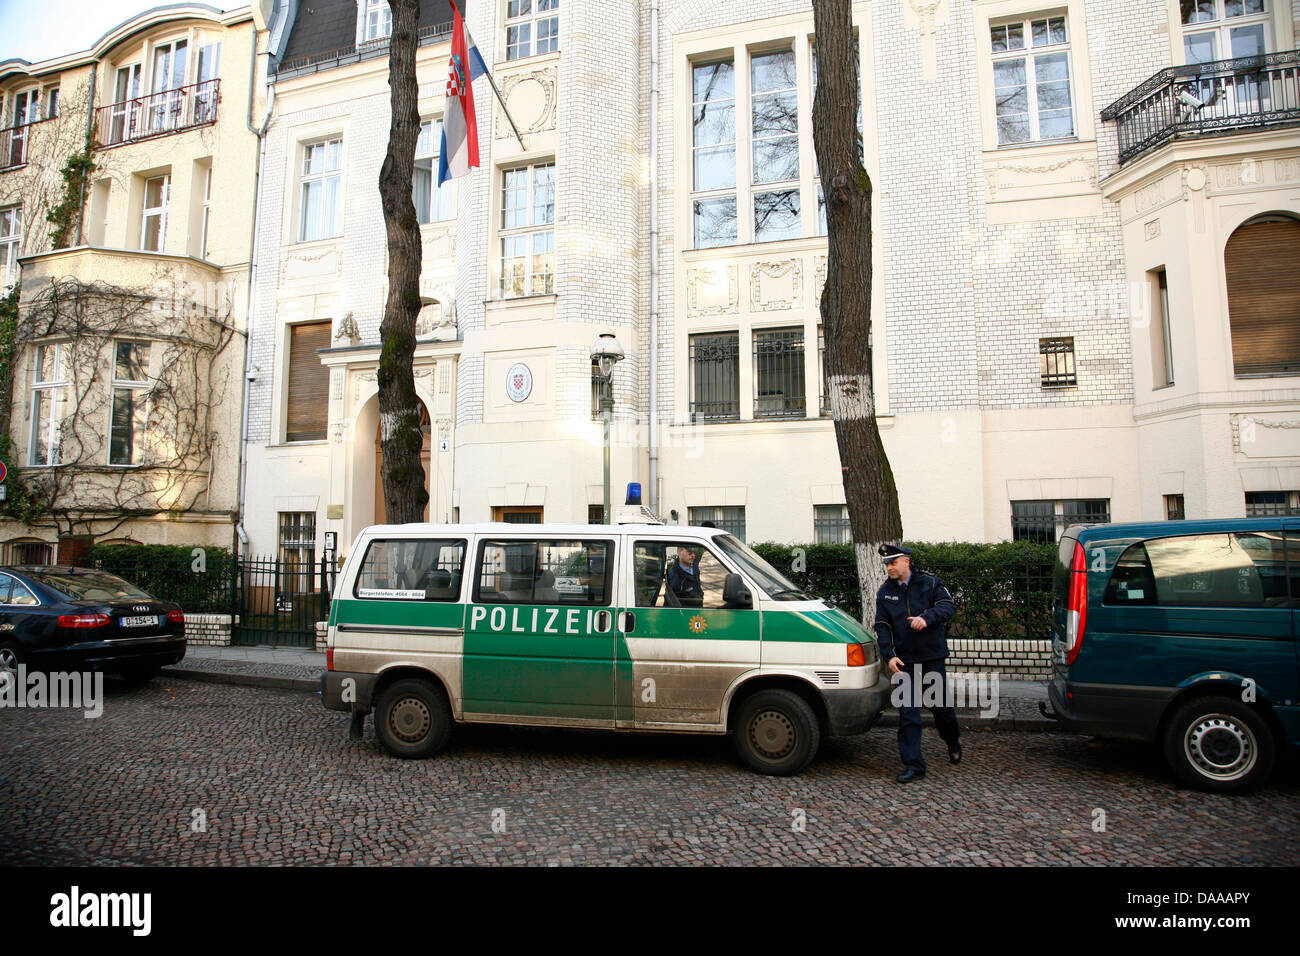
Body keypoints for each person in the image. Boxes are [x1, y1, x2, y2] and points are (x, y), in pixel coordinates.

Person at [873, 543, 961, 783]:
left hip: (931, 658)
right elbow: (882, 626)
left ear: (906, 562)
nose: (889, 567)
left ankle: (952, 740)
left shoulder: (930, 583)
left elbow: (947, 606)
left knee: (941, 710)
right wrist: (889, 655)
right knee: (908, 714)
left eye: (893, 562)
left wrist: (926, 618)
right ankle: (914, 765)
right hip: (904, 662)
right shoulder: (885, 593)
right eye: (887, 564)